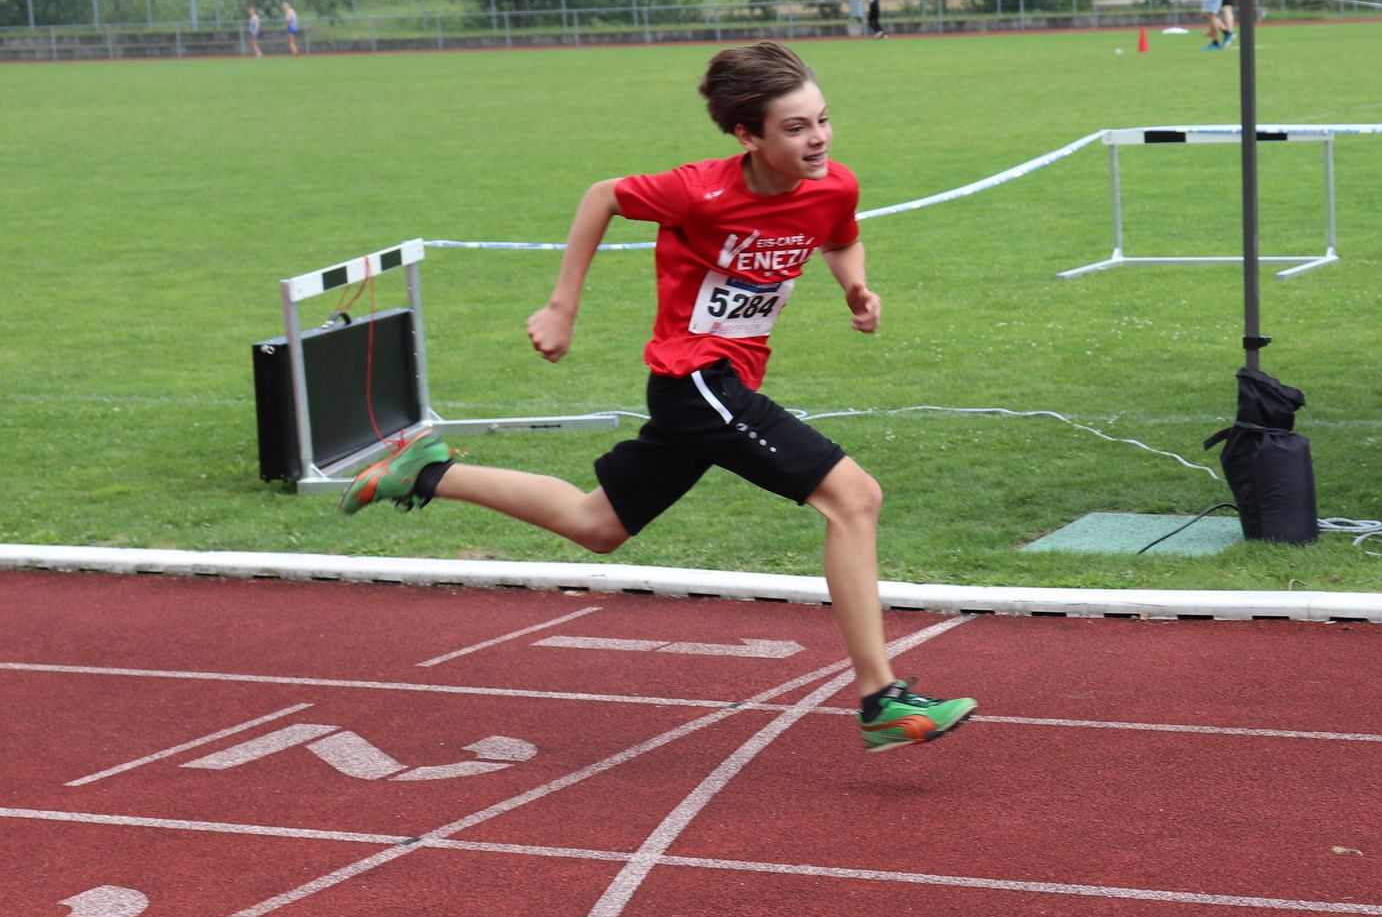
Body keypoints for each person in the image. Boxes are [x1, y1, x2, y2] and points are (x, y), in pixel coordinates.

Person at [338, 42, 978, 753]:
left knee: (597, 525)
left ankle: (427, 471)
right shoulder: (697, 190)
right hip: (696, 379)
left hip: (713, 387)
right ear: (748, 136)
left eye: (822, 119)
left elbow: (839, 237)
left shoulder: (833, 184)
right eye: (795, 128)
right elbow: (603, 196)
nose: (818, 137)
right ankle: (880, 698)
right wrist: (562, 308)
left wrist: (855, 287)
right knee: (854, 498)